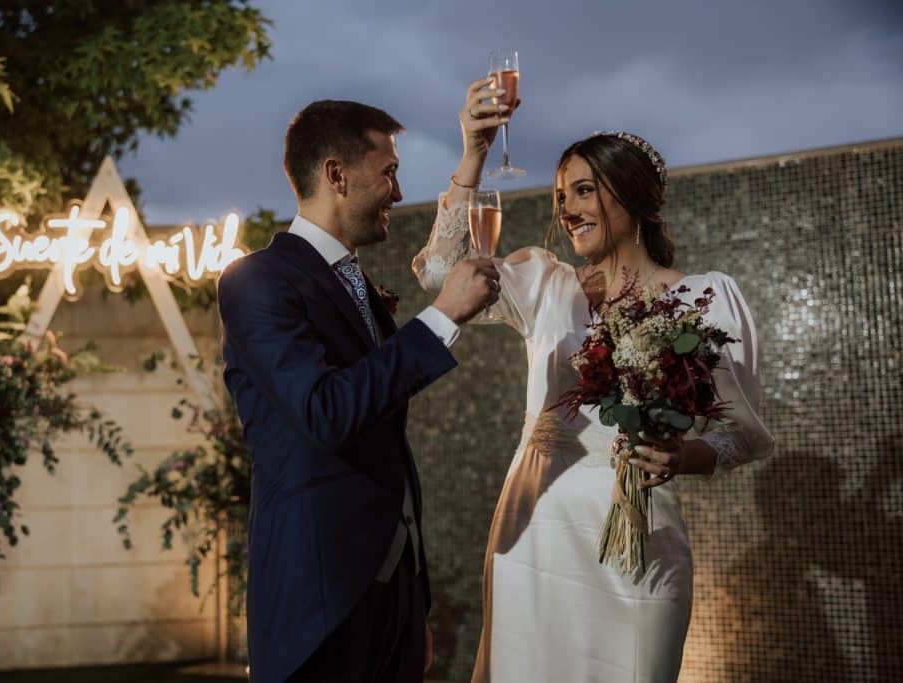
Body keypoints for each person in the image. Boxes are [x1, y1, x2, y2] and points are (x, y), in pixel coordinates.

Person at [412, 78, 775, 683]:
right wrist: (473, 153)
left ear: (632, 198)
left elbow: (745, 436)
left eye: (584, 190)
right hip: (535, 530)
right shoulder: (545, 283)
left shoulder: (704, 300)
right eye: (561, 195)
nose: (567, 209)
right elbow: (443, 274)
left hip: (638, 543)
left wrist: (682, 455)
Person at [218, 99, 501, 683]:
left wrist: (411, 598)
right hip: (316, 604)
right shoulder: (256, 280)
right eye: (389, 172)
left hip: (391, 595)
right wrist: (442, 315)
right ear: (336, 175)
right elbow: (325, 411)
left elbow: (383, 435)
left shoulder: (359, 288)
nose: (397, 193)